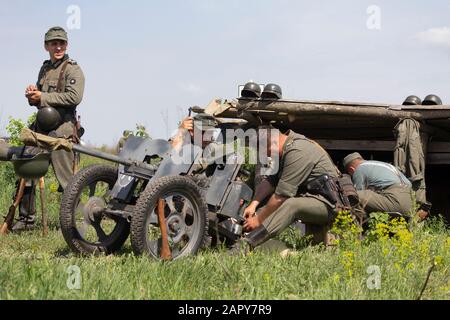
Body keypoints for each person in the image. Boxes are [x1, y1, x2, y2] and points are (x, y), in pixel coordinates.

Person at [14, 26, 85, 231]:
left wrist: (43, 97)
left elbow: (74, 97)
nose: (58, 47)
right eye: (54, 43)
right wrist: (33, 96)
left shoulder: (73, 69)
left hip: (63, 129)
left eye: (61, 43)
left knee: (66, 179)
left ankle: (77, 220)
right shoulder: (45, 68)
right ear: (46, 46)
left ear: (67, 45)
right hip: (42, 127)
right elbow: (41, 101)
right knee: (27, 163)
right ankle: (26, 219)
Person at [232, 126, 339, 252]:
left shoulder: (298, 151)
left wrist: (258, 220)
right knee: (277, 204)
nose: (266, 155)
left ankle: (247, 244)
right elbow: (271, 181)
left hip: (330, 204)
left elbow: (281, 196)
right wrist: (253, 205)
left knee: (291, 204)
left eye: (265, 151)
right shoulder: (286, 149)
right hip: (314, 199)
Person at [342, 152, 413, 218]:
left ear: (351, 169)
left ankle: (361, 226)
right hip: (410, 202)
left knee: (354, 195)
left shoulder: (359, 169)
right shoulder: (380, 164)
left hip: (396, 201)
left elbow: (357, 194)